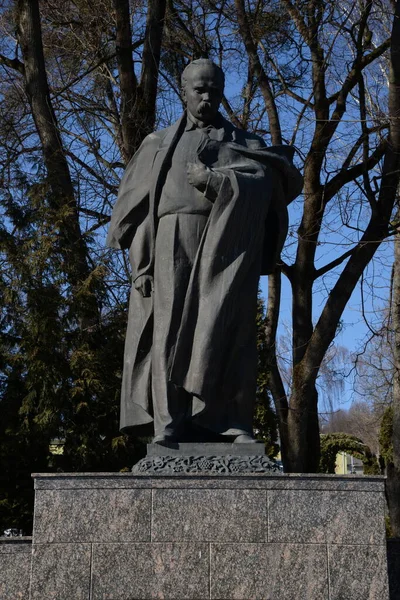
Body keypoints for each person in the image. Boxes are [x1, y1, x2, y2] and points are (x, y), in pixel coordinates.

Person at [107, 59, 302, 444]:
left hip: (225, 244)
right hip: (170, 239)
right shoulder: (158, 144)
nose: (207, 96)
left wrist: (214, 181)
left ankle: (229, 421)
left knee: (228, 329)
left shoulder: (245, 144)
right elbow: (142, 212)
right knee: (168, 329)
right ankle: (169, 421)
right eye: (200, 89)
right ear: (183, 91)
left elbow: (268, 190)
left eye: (214, 89)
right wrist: (141, 266)